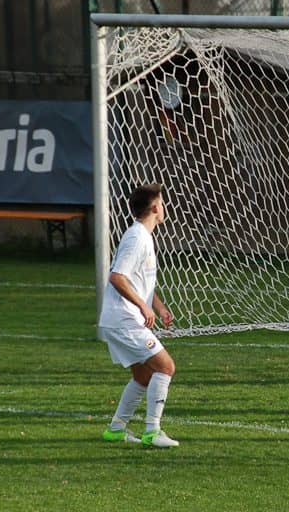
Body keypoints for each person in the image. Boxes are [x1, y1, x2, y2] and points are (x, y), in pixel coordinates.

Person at [99, 184, 180, 448]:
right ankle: (152, 431)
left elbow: (138, 281)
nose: (164, 207)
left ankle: (116, 429)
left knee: (144, 376)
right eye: (163, 202)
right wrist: (143, 308)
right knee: (165, 367)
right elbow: (117, 278)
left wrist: (158, 306)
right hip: (124, 319)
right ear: (155, 207)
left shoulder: (143, 236)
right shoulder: (137, 238)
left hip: (121, 318)